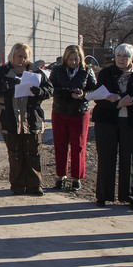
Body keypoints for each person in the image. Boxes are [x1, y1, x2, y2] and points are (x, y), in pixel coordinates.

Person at [91, 43, 133, 209]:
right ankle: (103, 195)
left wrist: (126, 101)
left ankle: (130, 195)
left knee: (130, 159)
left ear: (131, 58)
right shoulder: (105, 73)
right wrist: (117, 103)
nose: (121, 59)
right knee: (106, 157)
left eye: (125, 56)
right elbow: (98, 97)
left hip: (131, 121)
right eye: (118, 56)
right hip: (106, 121)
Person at [0, 42, 50, 195]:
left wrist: (39, 91)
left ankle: (35, 186)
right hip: (9, 119)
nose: (22, 59)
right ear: (12, 56)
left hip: (31, 119)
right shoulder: (1, 72)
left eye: (25, 57)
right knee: (15, 153)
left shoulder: (36, 72)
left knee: (33, 152)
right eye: (19, 56)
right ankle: (17, 186)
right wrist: (6, 85)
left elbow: (49, 90)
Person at [49, 44, 97, 191]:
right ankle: (60, 176)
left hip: (80, 113)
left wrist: (83, 95)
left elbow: (94, 88)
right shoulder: (57, 70)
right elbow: (51, 88)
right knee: (60, 145)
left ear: (81, 58)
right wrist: (68, 92)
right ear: (65, 58)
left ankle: (77, 177)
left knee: (79, 145)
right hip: (60, 111)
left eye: (76, 59)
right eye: (70, 59)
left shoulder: (87, 71)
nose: (73, 62)